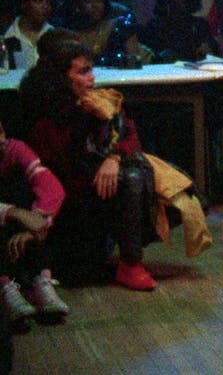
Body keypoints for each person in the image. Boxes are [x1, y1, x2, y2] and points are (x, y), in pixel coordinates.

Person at [19, 41, 158, 290]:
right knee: (79, 272)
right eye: (83, 72)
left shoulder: (98, 102)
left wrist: (114, 157)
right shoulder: (44, 119)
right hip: (63, 207)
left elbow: (129, 135)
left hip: (96, 194)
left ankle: (131, 264)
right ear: (61, 77)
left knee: (134, 174)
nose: (92, 78)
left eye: (91, 70)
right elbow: (56, 177)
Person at [1, 121, 68, 331]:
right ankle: (3, 284)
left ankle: (41, 279)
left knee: (25, 191)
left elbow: (52, 187)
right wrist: (13, 212)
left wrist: (34, 226)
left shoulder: (14, 150)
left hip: (13, 223)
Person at [64, 0, 148, 67]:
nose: (95, 5)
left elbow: (134, 64)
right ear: (77, 5)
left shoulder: (121, 26)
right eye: (88, 1)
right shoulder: (68, 35)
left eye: (99, 0)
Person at [140, 0, 221, 63]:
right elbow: (147, 56)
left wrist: (207, 50)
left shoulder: (199, 25)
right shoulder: (154, 25)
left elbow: (211, 55)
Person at [2, 0, 54, 70]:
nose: (45, 6)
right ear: (24, 4)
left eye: (48, 2)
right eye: (39, 1)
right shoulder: (8, 34)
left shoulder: (53, 35)